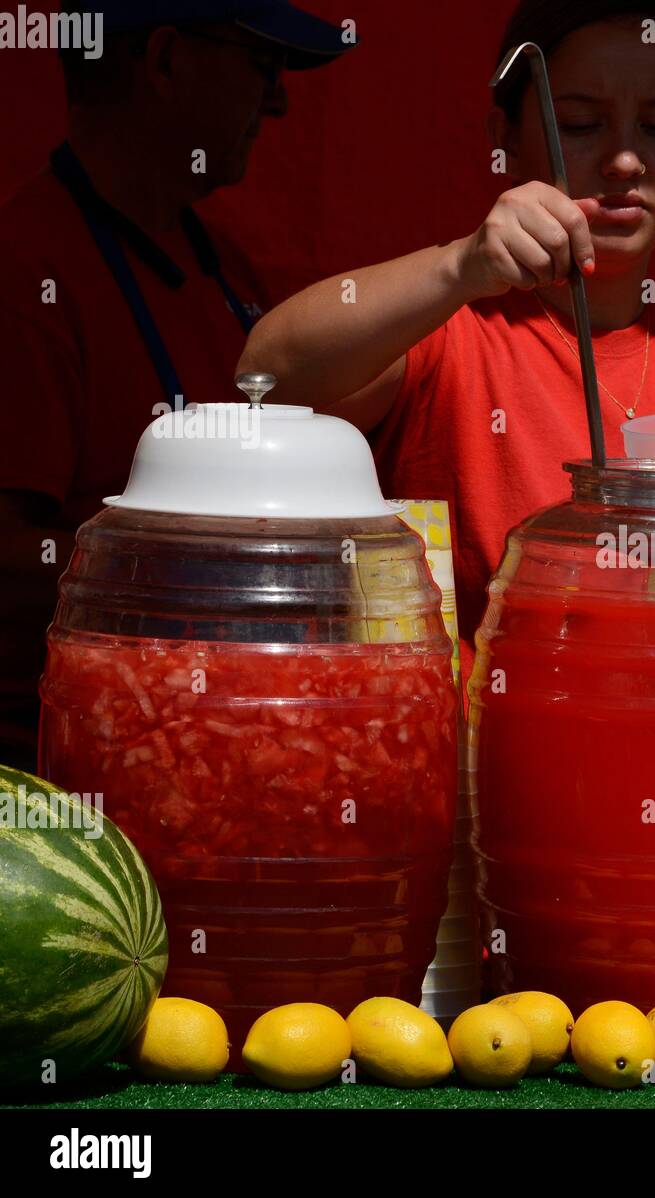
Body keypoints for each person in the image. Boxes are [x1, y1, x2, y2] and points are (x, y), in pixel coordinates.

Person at [240, 0, 655, 658]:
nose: (624, 160)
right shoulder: (448, 329)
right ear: (503, 136)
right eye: (582, 123)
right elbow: (267, 383)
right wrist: (459, 266)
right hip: (487, 748)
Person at [0, 0, 354, 771]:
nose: (280, 100)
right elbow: (8, 561)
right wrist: (215, 573)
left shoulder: (226, 270)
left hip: (221, 750)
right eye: (262, 65)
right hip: (66, 781)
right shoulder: (26, 275)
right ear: (163, 59)